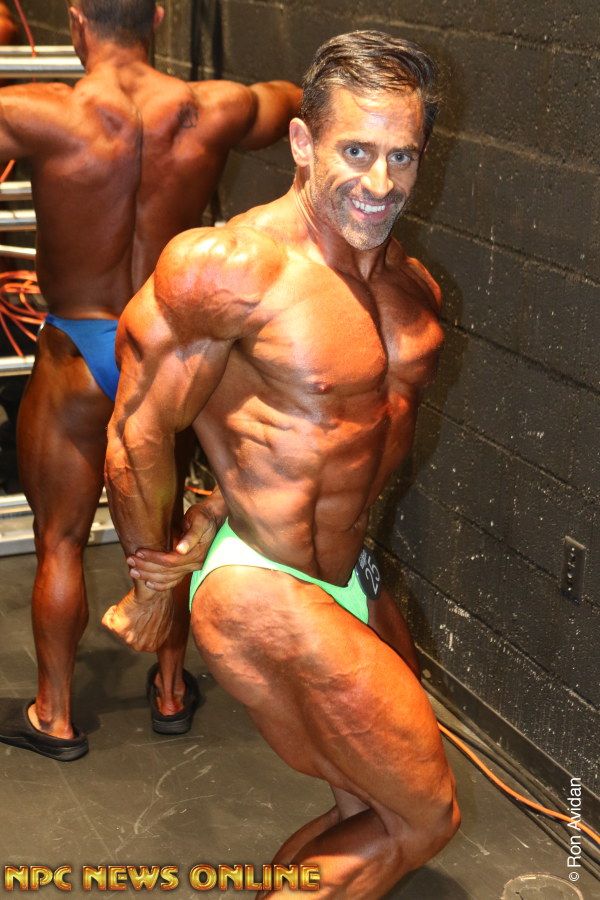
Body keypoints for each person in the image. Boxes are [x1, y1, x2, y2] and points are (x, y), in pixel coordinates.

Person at [103, 30, 459, 897]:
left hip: (348, 575)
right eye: (357, 152)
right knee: (426, 817)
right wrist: (152, 583)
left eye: (403, 156)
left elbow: (350, 443)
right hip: (260, 582)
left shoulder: (413, 289)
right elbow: (137, 433)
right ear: (303, 142)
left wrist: (224, 499)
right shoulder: (230, 267)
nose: (381, 183)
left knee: (368, 810)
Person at [0, 0, 300, 761]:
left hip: (77, 350)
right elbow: (304, 104)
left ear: (76, 22)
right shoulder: (216, 108)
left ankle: (54, 715)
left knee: (60, 539)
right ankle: (169, 692)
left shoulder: (39, 113)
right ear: (159, 18)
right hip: (169, 355)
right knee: (166, 534)